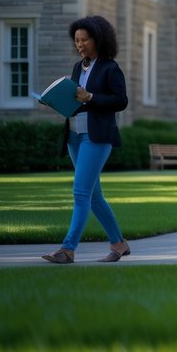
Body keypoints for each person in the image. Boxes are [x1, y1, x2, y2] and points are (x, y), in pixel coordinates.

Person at [41, 16, 130, 264]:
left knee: (80, 193)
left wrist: (90, 96)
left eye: (84, 40)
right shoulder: (78, 67)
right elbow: (77, 102)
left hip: (97, 137)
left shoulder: (110, 68)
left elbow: (120, 101)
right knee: (93, 196)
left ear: (97, 40)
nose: (79, 45)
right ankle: (119, 244)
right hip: (74, 136)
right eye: (76, 41)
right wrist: (57, 100)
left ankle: (68, 249)